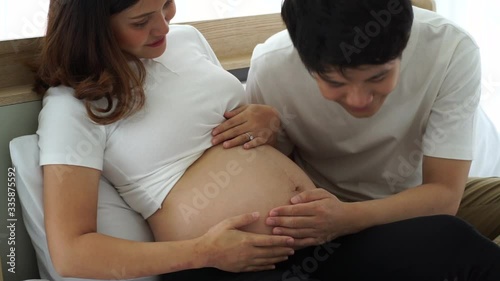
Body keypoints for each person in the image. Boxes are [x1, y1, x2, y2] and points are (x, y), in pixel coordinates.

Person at [35, 0, 325, 279]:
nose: (163, 27)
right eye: (141, 21)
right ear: (94, 27)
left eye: (166, 5)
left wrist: (266, 122)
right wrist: (205, 253)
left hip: (319, 233)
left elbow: (229, 137)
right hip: (221, 269)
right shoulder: (72, 106)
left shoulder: (188, 39)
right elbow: (71, 253)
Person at [210, 0, 500, 279]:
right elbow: (275, 177)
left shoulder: (450, 49)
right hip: (322, 213)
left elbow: (444, 193)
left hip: (415, 199)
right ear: (305, 62)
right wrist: (268, 133)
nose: (359, 100)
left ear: (404, 45)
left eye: (378, 77)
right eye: (335, 82)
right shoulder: (273, 66)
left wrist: (347, 218)